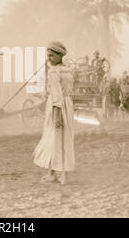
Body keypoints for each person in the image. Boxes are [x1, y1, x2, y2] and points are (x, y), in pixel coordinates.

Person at [33, 41, 75, 185]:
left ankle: (61, 175)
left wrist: (57, 117)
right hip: (67, 105)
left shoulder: (53, 72)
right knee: (64, 140)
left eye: (52, 56)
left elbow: (57, 96)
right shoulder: (68, 70)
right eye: (48, 56)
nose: (49, 58)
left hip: (57, 107)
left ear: (59, 56)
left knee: (55, 139)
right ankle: (55, 173)